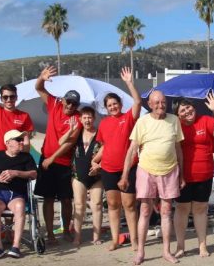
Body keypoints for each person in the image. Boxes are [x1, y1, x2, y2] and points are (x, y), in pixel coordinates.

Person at [120, 89, 184, 265]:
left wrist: (182, 175)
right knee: (145, 210)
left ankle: (166, 251)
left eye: (163, 102)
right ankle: (140, 252)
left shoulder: (174, 120)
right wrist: (124, 175)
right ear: (149, 105)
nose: (160, 105)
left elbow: (179, 150)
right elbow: (132, 150)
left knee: (166, 211)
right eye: (156, 102)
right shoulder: (142, 122)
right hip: (146, 170)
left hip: (170, 170)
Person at [174, 87, 214, 258]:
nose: (187, 111)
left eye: (188, 107)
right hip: (183, 175)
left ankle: (202, 245)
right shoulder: (176, 126)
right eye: (182, 110)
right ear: (178, 115)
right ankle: (180, 246)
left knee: (200, 209)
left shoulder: (205, 120)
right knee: (182, 209)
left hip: (204, 174)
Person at [91, 67, 143, 253]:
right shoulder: (104, 124)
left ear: (120, 104)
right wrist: (95, 161)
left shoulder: (129, 118)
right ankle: (115, 240)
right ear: (106, 108)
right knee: (113, 205)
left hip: (128, 169)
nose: (113, 107)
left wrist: (129, 83)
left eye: (115, 103)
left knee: (129, 205)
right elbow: (105, 146)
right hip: (108, 169)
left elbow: (137, 101)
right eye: (109, 105)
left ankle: (135, 240)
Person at [33, 65, 82, 245]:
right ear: (63, 100)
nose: (70, 105)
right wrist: (41, 77)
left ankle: (66, 231)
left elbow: (69, 142)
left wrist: (52, 158)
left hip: (62, 162)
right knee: (47, 198)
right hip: (46, 158)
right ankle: (51, 234)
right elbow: (39, 88)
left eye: (74, 103)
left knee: (66, 199)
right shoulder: (54, 104)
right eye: (68, 101)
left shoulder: (77, 118)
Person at [0, 130, 38, 259]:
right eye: (18, 140)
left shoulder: (26, 157)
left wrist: (16, 173)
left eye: (21, 139)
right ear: (8, 143)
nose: (22, 142)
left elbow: (34, 174)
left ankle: (15, 246)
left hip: (16, 193)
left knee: (20, 206)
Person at [62, 106, 102, 247]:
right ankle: (77, 237)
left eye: (89, 117)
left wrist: (100, 165)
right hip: (78, 175)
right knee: (79, 205)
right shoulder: (77, 133)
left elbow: (107, 150)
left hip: (96, 176)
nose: (87, 120)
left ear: (94, 118)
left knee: (96, 205)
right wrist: (71, 129)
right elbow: (61, 142)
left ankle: (96, 237)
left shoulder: (99, 133)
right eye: (84, 117)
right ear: (80, 119)